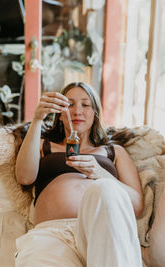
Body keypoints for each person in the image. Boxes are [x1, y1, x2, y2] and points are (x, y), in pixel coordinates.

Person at [14, 82, 144, 267]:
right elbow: (24, 177)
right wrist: (37, 119)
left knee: (104, 188)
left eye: (85, 104)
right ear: (59, 114)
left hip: (103, 229)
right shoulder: (44, 145)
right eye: (69, 104)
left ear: (95, 113)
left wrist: (102, 175)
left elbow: (137, 205)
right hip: (53, 234)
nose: (77, 111)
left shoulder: (114, 151)